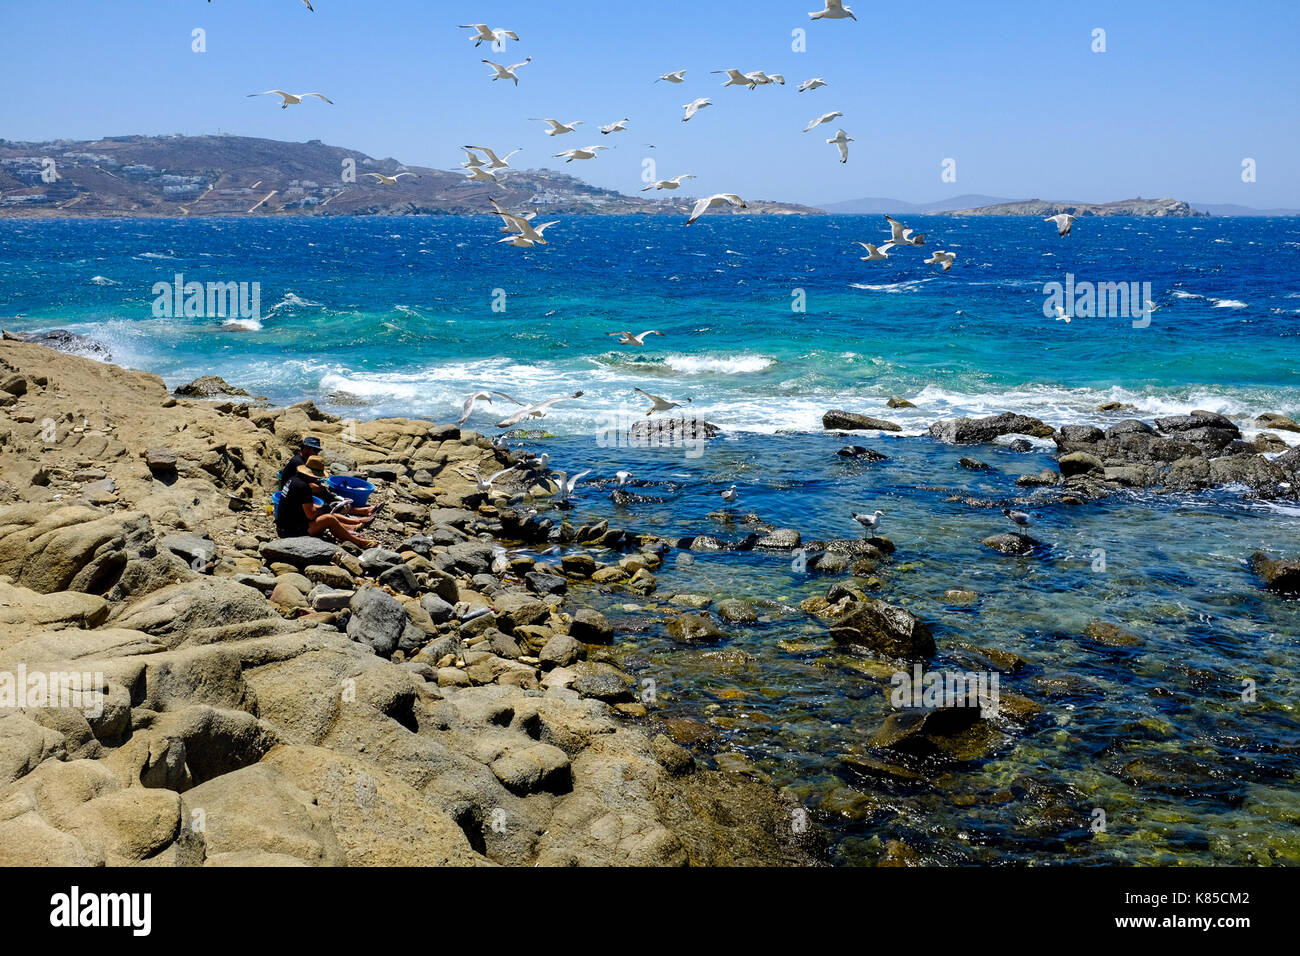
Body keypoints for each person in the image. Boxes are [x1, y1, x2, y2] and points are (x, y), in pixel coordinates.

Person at [277, 455, 378, 548]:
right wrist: (325, 508)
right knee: (329, 519)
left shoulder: (294, 479)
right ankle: (358, 542)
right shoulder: (303, 487)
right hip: (291, 531)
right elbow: (311, 515)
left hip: (285, 524)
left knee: (325, 511)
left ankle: (353, 525)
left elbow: (304, 506)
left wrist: (324, 508)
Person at [278, 436, 378, 518]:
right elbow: (303, 485)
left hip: (297, 491)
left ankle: (357, 511)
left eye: (315, 450)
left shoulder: (305, 462)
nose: (311, 452)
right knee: (328, 503)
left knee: (328, 498)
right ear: (302, 448)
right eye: (308, 448)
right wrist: (321, 490)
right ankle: (359, 511)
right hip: (291, 495)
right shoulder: (298, 462)